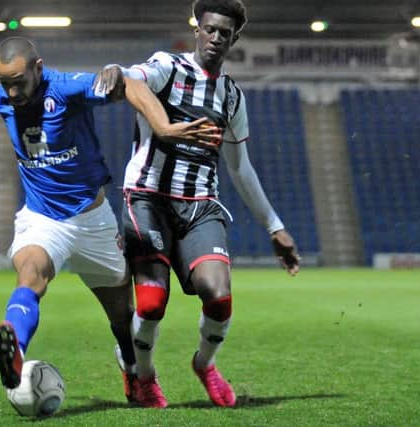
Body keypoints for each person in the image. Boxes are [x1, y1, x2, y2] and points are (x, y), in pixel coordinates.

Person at [0, 36, 219, 408]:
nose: (13, 91)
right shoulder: (6, 95)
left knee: (122, 317)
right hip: (42, 220)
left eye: (19, 80)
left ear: (38, 68)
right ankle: (13, 345)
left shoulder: (68, 88)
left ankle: (133, 374)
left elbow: (131, 84)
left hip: (93, 223)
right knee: (31, 273)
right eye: (6, 83)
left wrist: (162, 127)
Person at [96, 0, 301, 409]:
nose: (216, 38)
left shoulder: (231, 97)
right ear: (197, 29)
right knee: (152, 304)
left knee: (220, 296)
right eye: (210, 30)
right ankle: (143, 374)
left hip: (199, 206)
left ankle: (205, 364)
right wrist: (117, 70)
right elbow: (134, 77)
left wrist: (274, 226)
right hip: (147, 198)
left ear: (234, 39)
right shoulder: (168, 68)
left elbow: (241, 169)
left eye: (225, 33)